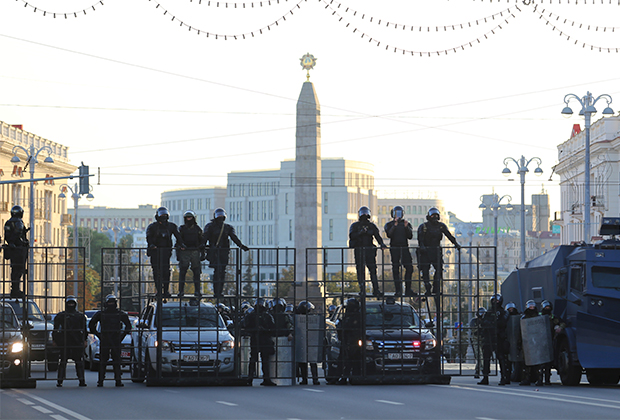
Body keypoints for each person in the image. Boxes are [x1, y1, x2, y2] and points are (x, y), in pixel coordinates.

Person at [202, 208, 249, 298]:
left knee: (222, 272)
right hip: (214, 252)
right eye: (219, 215)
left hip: (224, 252)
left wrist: (241, 246)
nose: (220, 217)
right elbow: (205, 237)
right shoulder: (210, 226)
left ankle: (220, 292)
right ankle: (216, 292)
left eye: (221, 215)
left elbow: (234, 237)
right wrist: (202, 247)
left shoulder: (228, 227)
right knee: (217, 272)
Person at [89, 295, 132, 387]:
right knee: (104, 361)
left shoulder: (119, 314)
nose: (111, 305)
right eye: (110, 303)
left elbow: (128, 326)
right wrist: (99, 335)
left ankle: (116, 380)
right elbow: (91, 325)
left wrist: (121, 336)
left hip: (114, 339)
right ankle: (102, 381)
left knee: (115, 361)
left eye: (112, 303)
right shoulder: (101, 314)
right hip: (107, 339)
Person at [417, 207, 461, 295]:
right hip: (426, 252)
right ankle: (428, 288)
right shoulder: (424, 226)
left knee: (439, 269)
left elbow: (449, 235)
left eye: (436, 215)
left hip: (436, 251)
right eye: (433, 215)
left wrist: (456, 244)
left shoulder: (441, 226)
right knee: (425, 270)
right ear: (429, 216)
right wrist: (422, 247)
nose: (435, 218)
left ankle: (436, 288)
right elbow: (420, 239)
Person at [146, 207, 184, 297]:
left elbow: (178, 236)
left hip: (166, 253)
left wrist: (181, 244)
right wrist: (151, 245)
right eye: (162, 215)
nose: (163, 217)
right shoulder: (152, 227)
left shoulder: (171, 226)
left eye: (165, 215)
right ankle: (159, 291)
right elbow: (149, 238)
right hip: (155, 252)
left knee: (166, 272)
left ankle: (166, 291)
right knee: (156, 272)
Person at [349, 206, 387, 297]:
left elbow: (377, 236)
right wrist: (360, 233)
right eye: (364, 213)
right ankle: (362, 290)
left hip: (369, 251)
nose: (365, 215)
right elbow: (351, 236)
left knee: (373, 270)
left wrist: (382, 244)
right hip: (359, 250)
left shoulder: (371, 226)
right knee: (360, 271)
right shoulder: (355, 226)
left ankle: (376, 290)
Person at [53, 296, 88, 387]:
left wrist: (84, 340)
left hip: (76, 341)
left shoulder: (80, 316)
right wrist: (55, 340)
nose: (71, 305)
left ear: (75, 304)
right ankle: (59, 381)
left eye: (72, 303)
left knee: (78, 362)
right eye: (69, 304)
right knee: (63, 362)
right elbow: (55, 329)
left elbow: (84, 329)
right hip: (65, 341)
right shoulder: (61, 316)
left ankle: (81, 380)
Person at [243, 298, 277, 386]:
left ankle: (266, 379)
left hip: (264, 339)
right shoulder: (252, 315)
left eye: (261, 304)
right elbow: (246, 326)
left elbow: (272, 328)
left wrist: (264, 330)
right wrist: (255, 330)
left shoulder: (267, 316)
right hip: (256, 338)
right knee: (254, 359)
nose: (259, 305)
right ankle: (250, 378)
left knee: (264, 359)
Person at [384, 205, 415, 296]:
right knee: (395, 269)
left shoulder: (406, 223)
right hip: (394, 248)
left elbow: (410, 236)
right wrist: (395, 225)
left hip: (404, 247)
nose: (398, 215)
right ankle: (398, 290)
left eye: (399, 213)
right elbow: (389, 234)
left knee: (409, 268)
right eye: (396, 213)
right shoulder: (389, 224)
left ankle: (408, 289)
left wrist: (406, 227)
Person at [3, 205, 29, 298]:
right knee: (19, 270)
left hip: (12, 249)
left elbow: (7, 235)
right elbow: (18, 234)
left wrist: (10, 243)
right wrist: (23, 242)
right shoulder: (19, 222)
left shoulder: (8, 222)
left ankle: (14, 288)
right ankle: (16, 289)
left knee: (14, 270)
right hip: (19, 249)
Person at [177, 210, 203, 297]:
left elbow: (202, 241)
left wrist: (202, 253)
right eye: (187, 218)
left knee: (196, 272)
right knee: (183, 271)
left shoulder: (197, 229)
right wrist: (179, 250)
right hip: (185, 252)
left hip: (195, 251)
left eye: (190, 217)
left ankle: (197, 291)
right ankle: (181, 291)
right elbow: (178, 241)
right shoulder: (182, 229)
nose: (189, 219)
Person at [338, 298, 363, 384]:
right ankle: (346, 377)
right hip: (348, 341)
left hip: (352, 341)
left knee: (350, 360)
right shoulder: (349, 316)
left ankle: (349, 378)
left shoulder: (355, 316)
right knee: (347, 360)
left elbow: (351, 329)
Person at [539, 300, 565, 385]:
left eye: (548, 307)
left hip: (550, 341)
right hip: (540, 342)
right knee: (540, 363)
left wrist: (559, 328)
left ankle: (547, 380)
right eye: (545, 307)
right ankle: (539, 380)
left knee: (548, 362)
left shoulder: (553, 317)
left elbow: (562, 323)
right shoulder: (539, 317)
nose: (547, 309)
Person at [295, 300, 320, 385]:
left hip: (304, 342)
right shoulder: (314, 318)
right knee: (311, 362)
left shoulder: (298, 318)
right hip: (311, 341)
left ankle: (305, 379)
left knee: (304, 362)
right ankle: (314, 379)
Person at [519, 300, 541, 386]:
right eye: (530, 306)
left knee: (538, 362)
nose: (531, 308)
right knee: (525, 362)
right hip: (526, 342)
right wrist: (519, 342)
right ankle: (526, 379)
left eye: (533, 306)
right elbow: (520, 330)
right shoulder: (524, 318)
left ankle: (539, 379)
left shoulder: (538, 317)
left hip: (536, 341)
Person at [469, 307, 485, 379]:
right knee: (479, 355)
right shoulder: (474, 321)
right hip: (476, 339)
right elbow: (473, 330)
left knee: (484, 356)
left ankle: (481, 370)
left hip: (484, 339)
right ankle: (479, 370)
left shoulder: (485, 321)